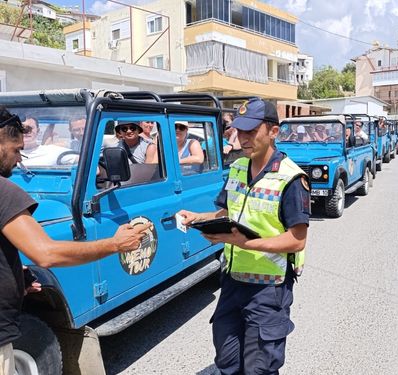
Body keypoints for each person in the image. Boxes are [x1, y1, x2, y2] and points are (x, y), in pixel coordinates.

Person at [0, 107, 150, 375]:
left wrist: (13, 272)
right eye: (16, 149)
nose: (20, 159)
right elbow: (46, 254)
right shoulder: (5, 191)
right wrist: (115, 244)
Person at [178, 98, 310, 375]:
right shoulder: (238, 168)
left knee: (258, 368)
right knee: (227, 362)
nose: (244, 138)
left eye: (252, 131)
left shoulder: (291, 178)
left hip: (268, 289)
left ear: (273, 131)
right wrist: (198, 218)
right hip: (233, 282)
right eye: (240, 131)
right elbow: (226, 213)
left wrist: (246, 243)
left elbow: (297, 239)